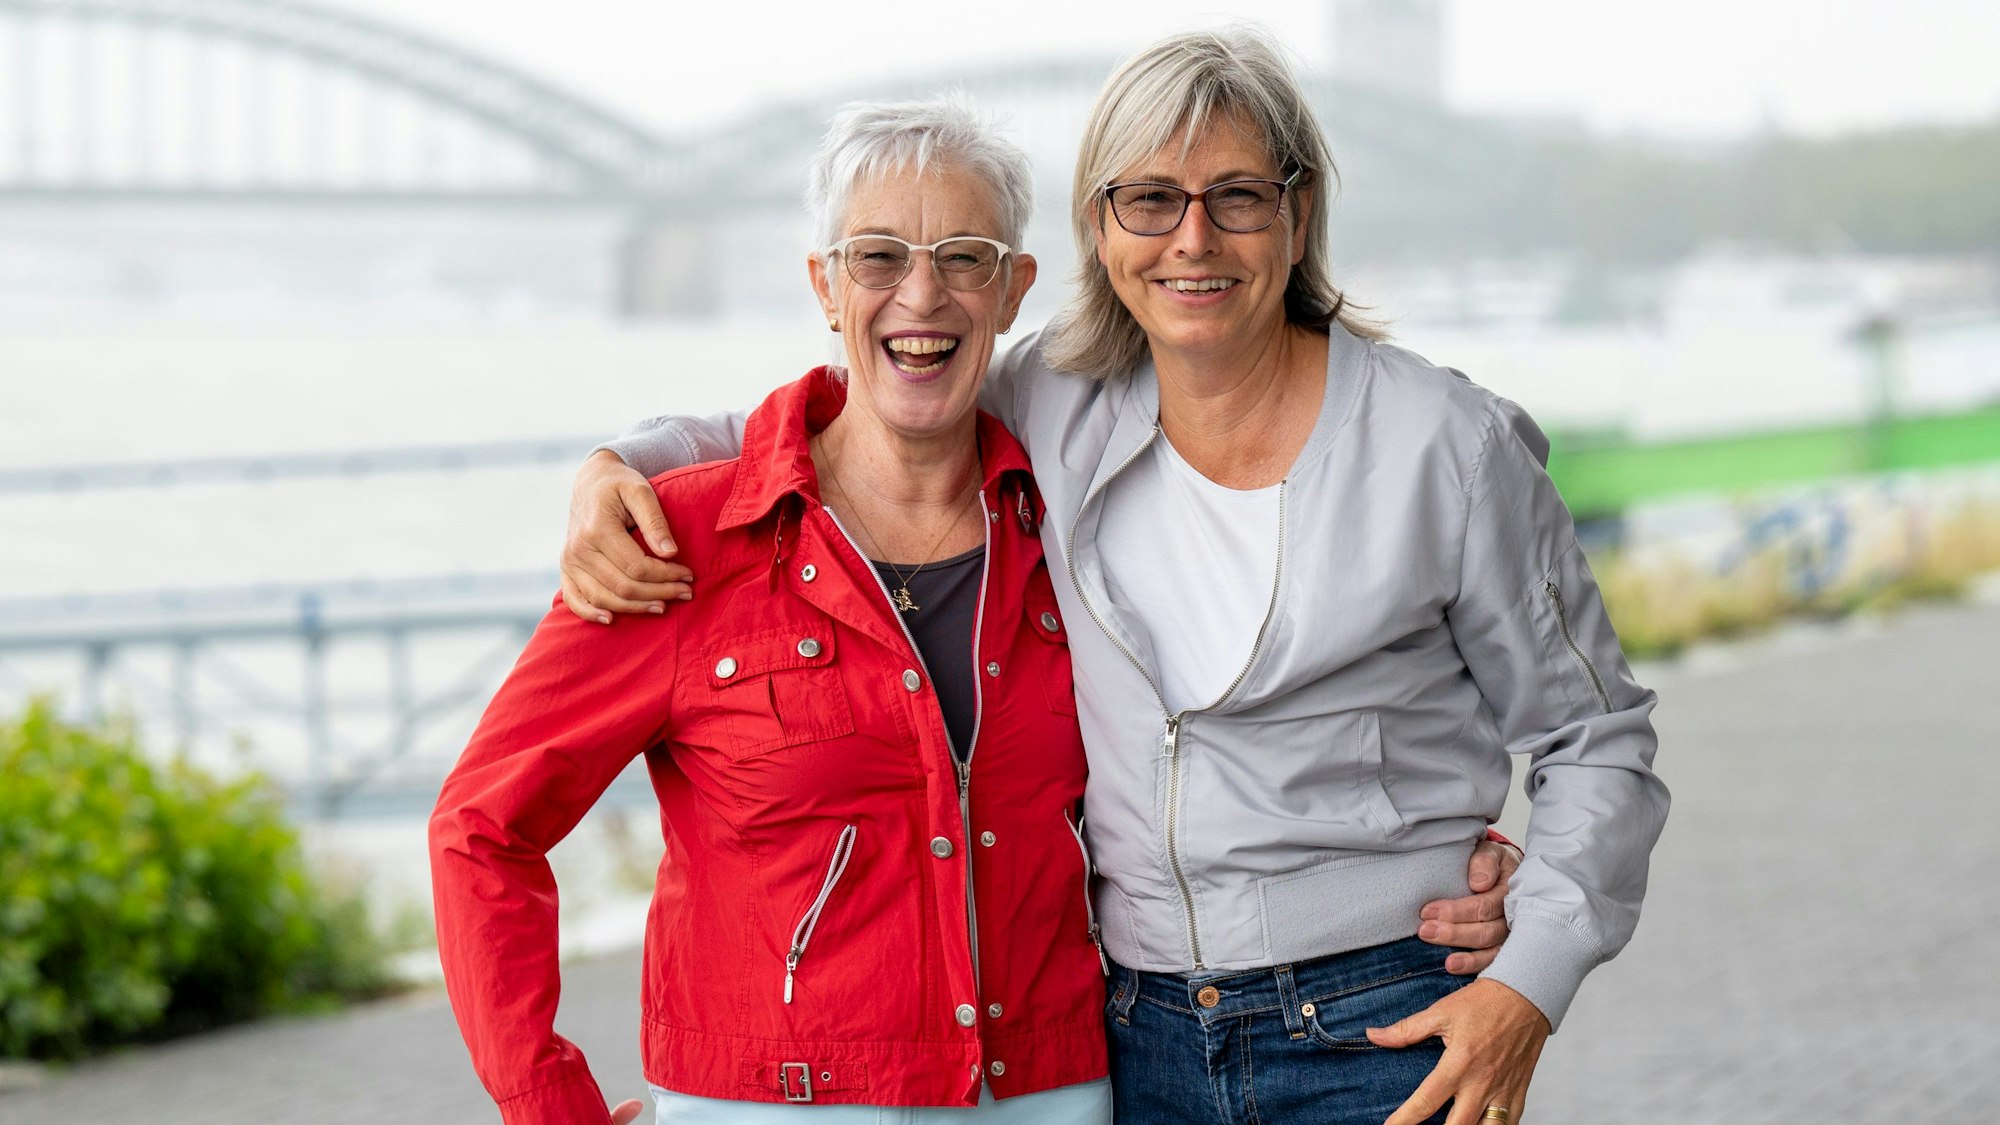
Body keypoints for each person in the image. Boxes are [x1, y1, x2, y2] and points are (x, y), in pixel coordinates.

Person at [561, 29, 1644, 1125]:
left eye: (1237, 196)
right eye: (1148, 201)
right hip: (1135, 1045)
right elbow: (830, 422)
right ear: (1098, 227)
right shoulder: (1053, 400)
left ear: (1297, 215)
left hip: (1384, 1026)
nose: (1192, 239)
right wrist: (622, 463)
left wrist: (1526, 983)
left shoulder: (1444, 449)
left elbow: (1594, 739)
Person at [431, 98, 1123, 1125]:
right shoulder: (679, 541)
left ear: (1015, 287)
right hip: (774, 1101)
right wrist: (547, 1105)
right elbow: (481, 827)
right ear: (824, 286)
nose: (920, 296)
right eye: (878, 256)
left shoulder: (1075, 522)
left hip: (1054, 1093)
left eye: (964, 258)